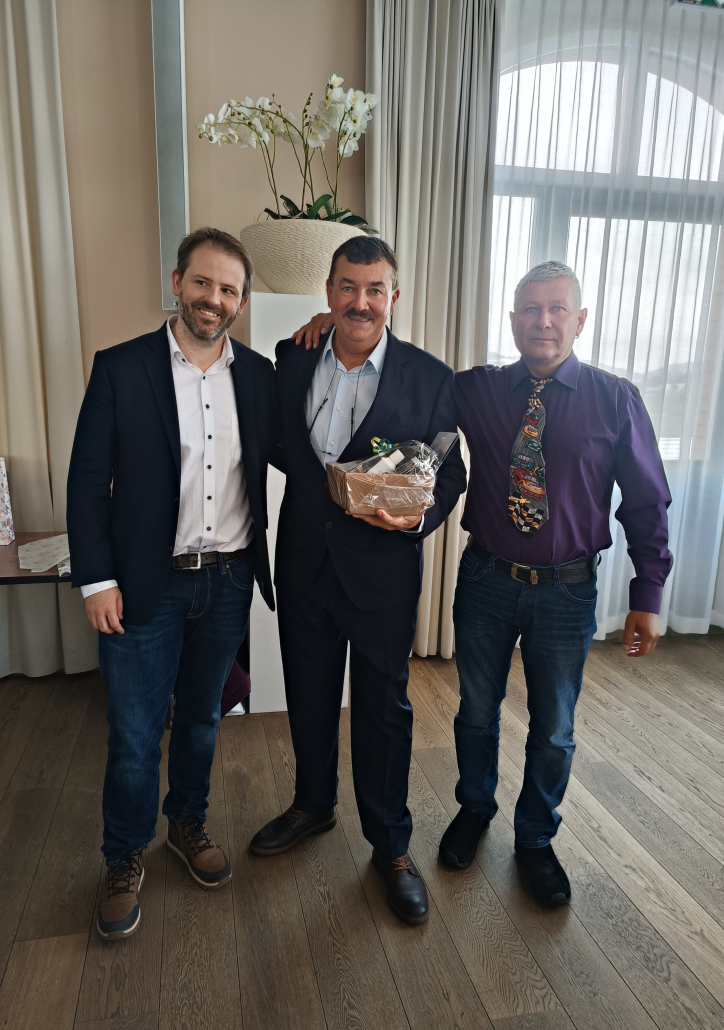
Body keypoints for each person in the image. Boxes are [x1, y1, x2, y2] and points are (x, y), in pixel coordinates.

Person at [291, 259, 672, 908]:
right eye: (530, 309)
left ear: (580, 320)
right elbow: (404, 370)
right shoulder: (478, 389)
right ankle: (474, 809)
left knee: (554, 727)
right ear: (513, 319)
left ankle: (536, 839)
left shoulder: (616, 399)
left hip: (567, 590)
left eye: (556, 309)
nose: (543, 321)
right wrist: (338, 322)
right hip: (486, 580)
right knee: (475, 711)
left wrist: (649, 594)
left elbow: (645, 501)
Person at [250, 236, 466, 926]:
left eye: (375, 289)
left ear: (393, 298)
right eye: (348, 286)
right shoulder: (292, 358)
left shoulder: (430, 377)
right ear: (329, 292)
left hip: (382, 574)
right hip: (304, 563)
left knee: (382, 710)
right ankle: (313, 804)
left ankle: (391, 846)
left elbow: (449, 471)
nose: (361, 301)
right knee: (309, 695)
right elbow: (281, 448)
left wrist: (414, 519)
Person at [67, 227, 275, 940]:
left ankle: (187, 822)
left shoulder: (258, 376)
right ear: (178, 282)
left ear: (241, 302)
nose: (213, 299)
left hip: (229, 580)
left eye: (228, 289)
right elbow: (88, 482)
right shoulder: (121, 368)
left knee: (203, 717)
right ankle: (123, 855)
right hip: (143, 586)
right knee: (133, 733)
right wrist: (96, 580)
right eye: (203, 282)